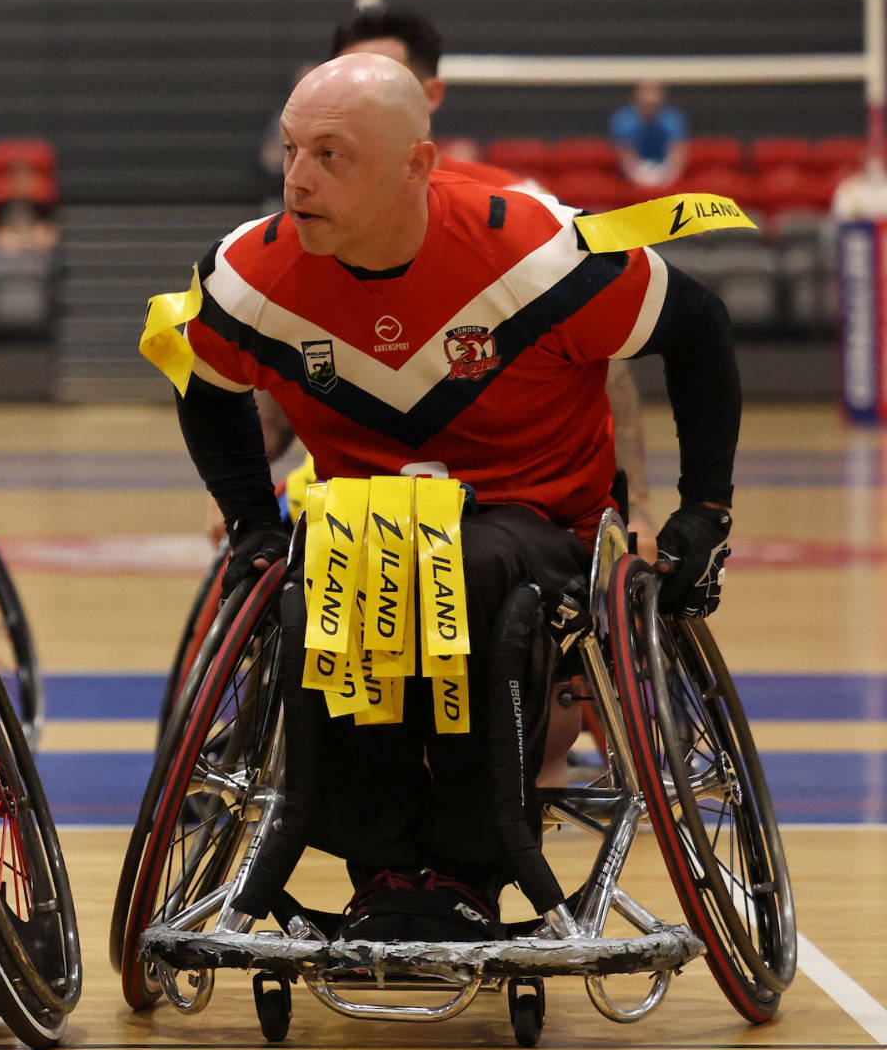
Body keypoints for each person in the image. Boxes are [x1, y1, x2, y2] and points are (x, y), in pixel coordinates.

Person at [177, 54, 738, 942]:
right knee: (321, 572)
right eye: (290, 151)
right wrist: (250, 518)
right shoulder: (248, 274)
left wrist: (705, 511)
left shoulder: (541, 253)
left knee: (465, 566)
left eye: (330, 155)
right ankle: (384, 867)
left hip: (538, 517)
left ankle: (471, 863)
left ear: (418, 165)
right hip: (364, 522)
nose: (297, 180)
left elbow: (699, 328)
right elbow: (203, 384)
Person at [331, 5, 658, 555]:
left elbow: (606, 364)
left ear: (429, 96)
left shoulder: (522, 208)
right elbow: (287, 349)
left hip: (511, 497)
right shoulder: (314, 223)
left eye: (384, 84)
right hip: (363, 501)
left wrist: (641, 502)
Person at [611, 80, 689, 189]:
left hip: (664, 170)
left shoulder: (673, 119)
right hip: (634, 172)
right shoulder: (623, 119)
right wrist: (639, 179)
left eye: (654, 105)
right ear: (637, 100)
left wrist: (667, 181)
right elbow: (625, 155)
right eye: (646, 105)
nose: (650, 109)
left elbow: (677, 153)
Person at [0, 160, 59, 255]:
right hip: (9, 247)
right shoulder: (0, 206)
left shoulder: (42, 206)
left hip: (35, 246)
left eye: (26, 180)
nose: (22, 184)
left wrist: (30, 238)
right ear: (11, 181)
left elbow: (50, 233)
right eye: (18, 180)